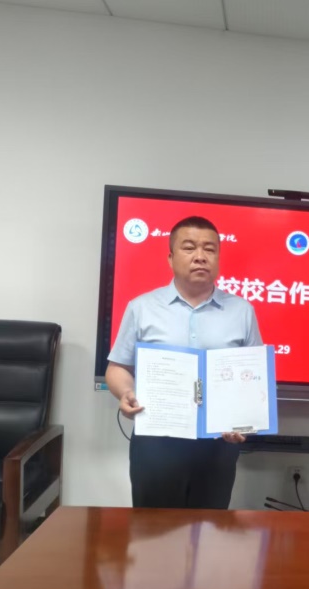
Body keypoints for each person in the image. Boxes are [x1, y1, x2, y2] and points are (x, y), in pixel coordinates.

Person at [106, 216, 262, 509]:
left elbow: (253, 377)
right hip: (156, 442)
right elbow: (118, 367)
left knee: (210, 528)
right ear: (170, 257)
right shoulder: (142, 307)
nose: (200, 257)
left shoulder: (242, 311)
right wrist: (126, 393)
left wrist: (245, 420)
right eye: (189, 248)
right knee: (153, 528)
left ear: (218, 258)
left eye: (209, 249)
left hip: (218, 444)